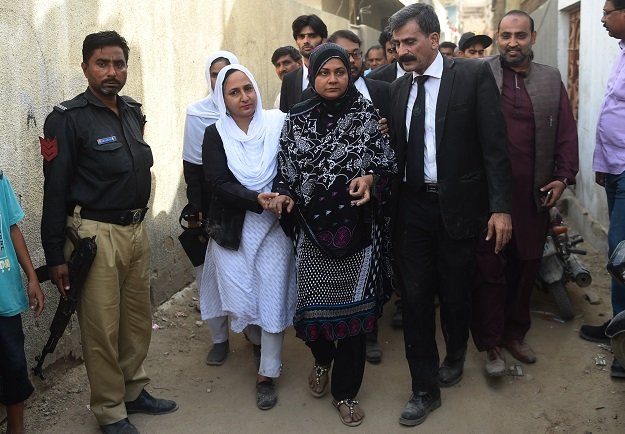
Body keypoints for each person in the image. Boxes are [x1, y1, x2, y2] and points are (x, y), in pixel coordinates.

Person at [41, 31, 177, 434]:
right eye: (102, 63)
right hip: (94, 235)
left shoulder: (133, 111)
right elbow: (56, 190)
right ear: (85, 67)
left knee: (136, 319)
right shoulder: (65, 119)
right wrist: (54, 258)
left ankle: (134, 390)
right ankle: (110, 410)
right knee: (101, 326)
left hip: (136, 231)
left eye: (119, 64)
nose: (112, 72)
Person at [387, 4, 512, 426]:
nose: (402, 50)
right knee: (417, 297)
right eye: (397, 43)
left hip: (459, 208)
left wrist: (500, 208)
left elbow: (495, 148)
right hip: (412, 209)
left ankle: (456, 353)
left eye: (410, 41)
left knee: (456, 292)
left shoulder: (472, 77)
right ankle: (424, 388)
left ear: (433, 39)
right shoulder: (399, 88)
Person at [269, 43, 395, 427]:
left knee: (356, 322)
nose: (333, 79)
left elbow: (387, 164)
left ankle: (346, 392)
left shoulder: (368, 114)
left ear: (351, 73)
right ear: (313, 76)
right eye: (324, 73)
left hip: (360, 234)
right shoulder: (296, 118)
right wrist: (285, 197)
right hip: (312, 234)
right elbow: (285, 172)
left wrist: (372, 178)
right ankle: (322, 359)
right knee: (313, 321)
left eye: (340, 72)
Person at [472, 10, 579, 377]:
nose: (512, 43)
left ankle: (515, 334)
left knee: (526, 264)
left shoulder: (550, 79)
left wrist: (563, 177)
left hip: (535, 195)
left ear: (532, 37)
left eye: (520, 35)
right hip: (489, 197)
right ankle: (491, 345)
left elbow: (565, 131)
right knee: (490, 268)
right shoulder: (479, 73)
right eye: (506, 36)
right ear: (496, 37)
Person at [200, 64, 297, 410]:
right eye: (234, 92)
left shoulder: (279, 123)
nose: (245, 98)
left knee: (271, 296)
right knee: (240, 301)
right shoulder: (216, 133)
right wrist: (256, 199)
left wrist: (281, 194)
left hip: (274, 226)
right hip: (233, 228)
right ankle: (255, 337)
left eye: (248, 89)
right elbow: (218, 182)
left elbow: (291, 166)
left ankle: (267, 373)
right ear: (222, 99)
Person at [324, 29, 392, 364]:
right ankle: (333, 337)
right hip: (327, 207)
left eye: (354, 54)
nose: (349, 61)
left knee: (371, 269)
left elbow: (395, 146)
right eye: (341, 54)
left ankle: (369, 334)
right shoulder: (309, 98)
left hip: (371, 200)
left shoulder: (383, 91)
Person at [182, 50, 239, 366]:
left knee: (245, 272)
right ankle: (219, 338)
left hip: (243, 203)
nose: (220, 78)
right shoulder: (197, 113)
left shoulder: (248, 107)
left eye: (227, 71)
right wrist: (198, 210)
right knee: (208, 275)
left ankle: (256, 337)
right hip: (209, 206)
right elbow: (191, 168)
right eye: (215, 73)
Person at [580, 0, 625, 379]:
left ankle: (624, 352)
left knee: (623, 259)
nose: (602, 18)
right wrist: (603, 164)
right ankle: (618, 326)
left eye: (607, 11)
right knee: (619, 254)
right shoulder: (622, 53)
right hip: (616, 169)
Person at [0, 170, 45, 434]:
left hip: (4, 297)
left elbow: (12, 227)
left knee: (14, 365)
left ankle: (16, 428)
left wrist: (32, 278)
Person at [279, 14, 327, 112]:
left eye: (312, 36)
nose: (306, 41)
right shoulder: (289, 80)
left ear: (323, 39)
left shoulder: (333, 76)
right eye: (301, 36)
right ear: (296, 41)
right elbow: (284, 117)